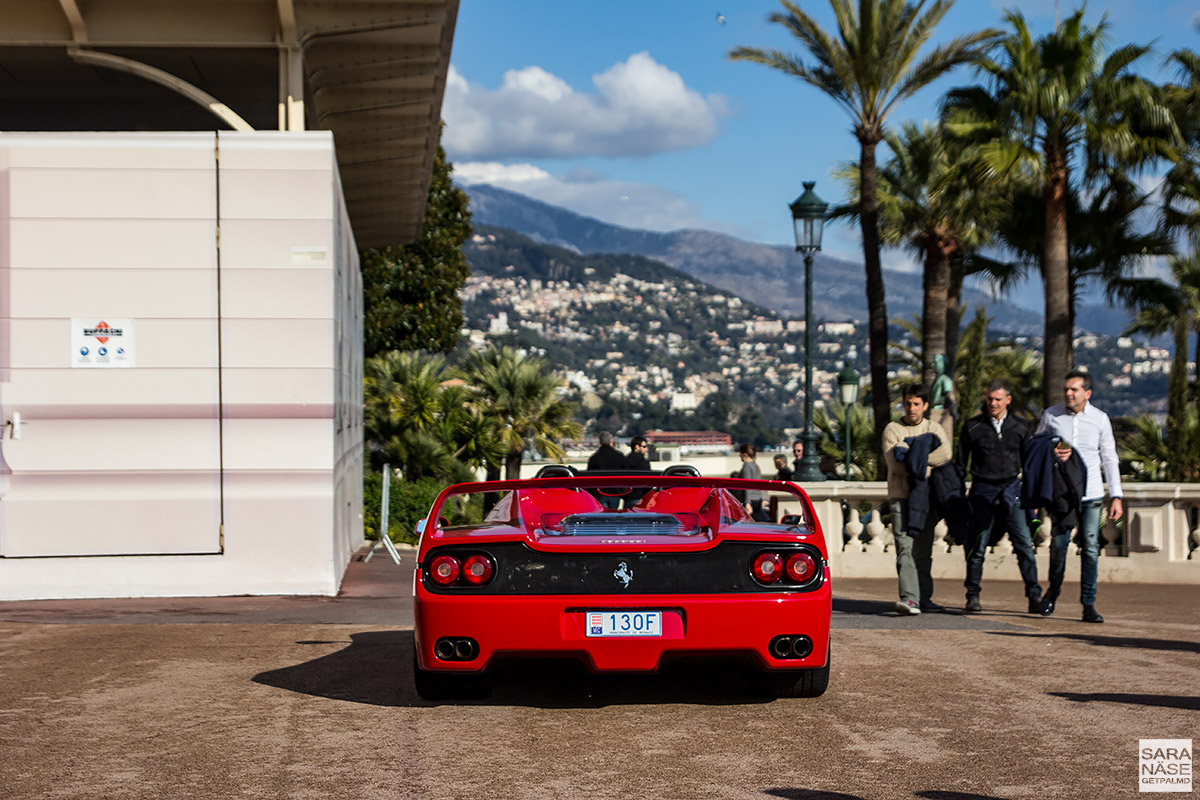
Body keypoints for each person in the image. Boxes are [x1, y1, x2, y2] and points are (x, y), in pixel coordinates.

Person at [1035, 369, 1123, 623]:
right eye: (1066, 389)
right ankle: (1052, 594)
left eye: (1074, 389)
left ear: (1087, 393)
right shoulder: (1051, 415)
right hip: (1062, 494)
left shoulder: (1100, 419)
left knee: (1091, 548)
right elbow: (1037, 447)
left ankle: (1088, 603)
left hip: (1092, 494)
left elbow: (1109, 458)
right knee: (1059, 546)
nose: (1068, 394)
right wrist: (1052, 449)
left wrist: (1115, 495)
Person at [955, 379, 1042, 614]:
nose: (993, 403)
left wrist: (1032, 499)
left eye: (997, 399)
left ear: (1008, 400)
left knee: (1024, 545)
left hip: (1012, 491)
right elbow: (960, 465)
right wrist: (959, 497)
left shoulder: (1020, 427)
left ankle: (1034, 595)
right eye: (989, 398)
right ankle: (972, 595)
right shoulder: (972, 427)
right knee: (977, 547)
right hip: (981, 492)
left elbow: (1030, 465)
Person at [883, 383, 953, 615]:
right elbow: (895, 465)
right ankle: (909, 598)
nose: (911, 408)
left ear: (925, 406)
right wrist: (923, 460)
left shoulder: (934, 427)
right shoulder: (892, 429)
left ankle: (924, 597)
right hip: (901, 496)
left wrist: (912, 453)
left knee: (923, 551)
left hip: (927, 499)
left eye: (916, 404)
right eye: (907, 404)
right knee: (905, 548)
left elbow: (946, 454)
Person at [736, 444, 768, 521]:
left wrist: (747, 503)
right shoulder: (756, 466)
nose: (739, 455)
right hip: (757, 498)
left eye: (740, 453)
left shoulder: (747, 467)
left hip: (750, 500)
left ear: (745, 454)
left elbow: (747, 485)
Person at [929, 353, 956, 444]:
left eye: (935, 362)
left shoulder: (945, 380)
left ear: (942, 364)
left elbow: (951, 398)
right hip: (933, 412)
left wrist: (954, 411)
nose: (933, 365)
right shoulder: (938, 380)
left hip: (939, 413)